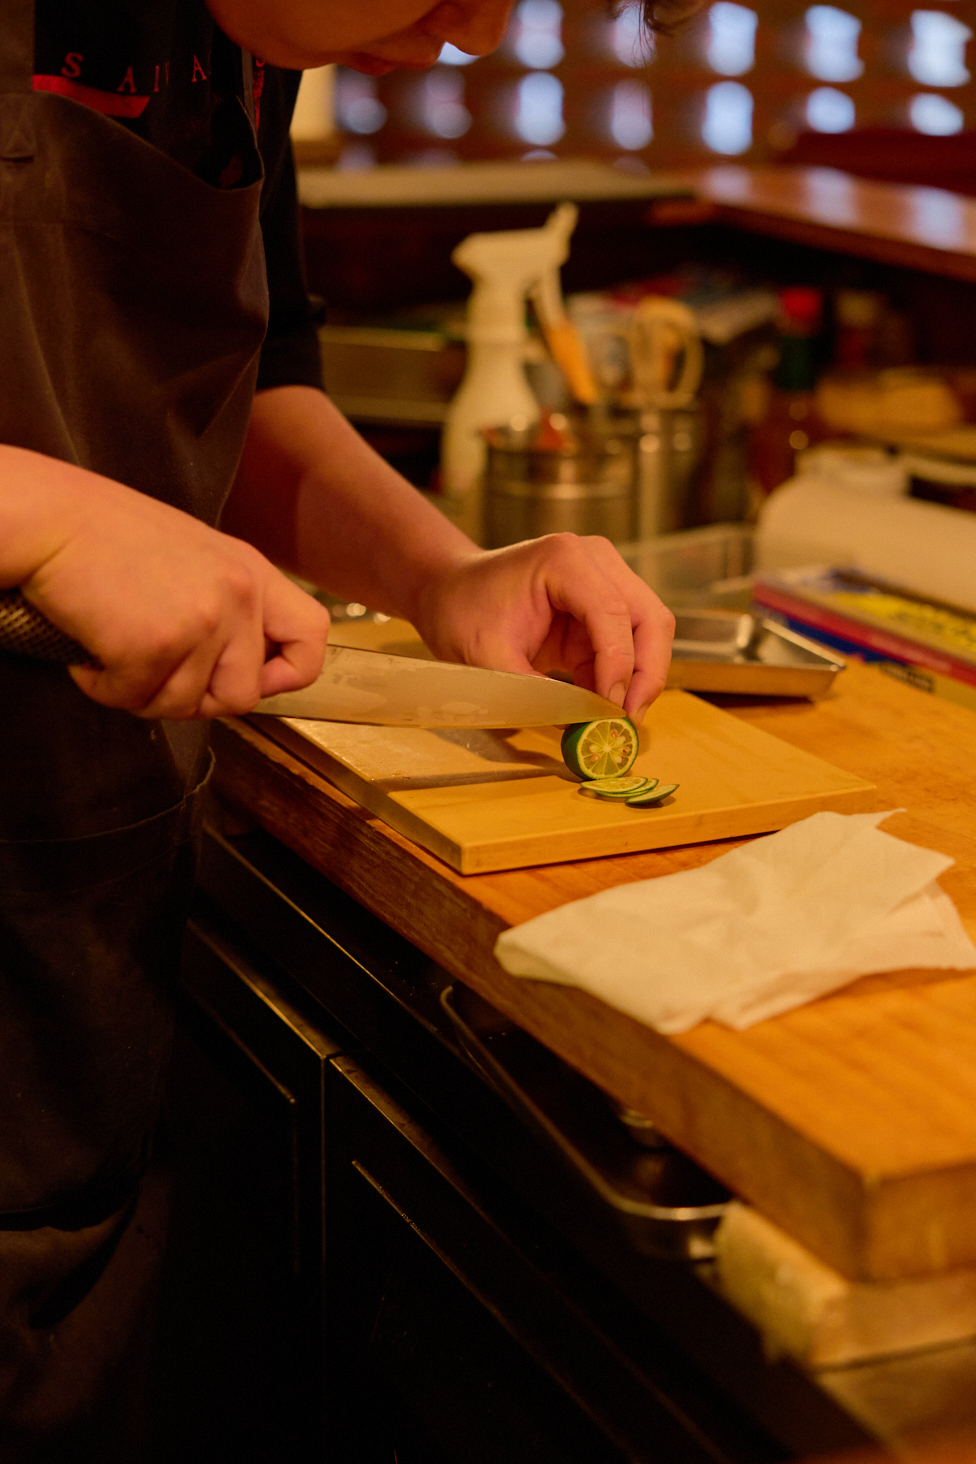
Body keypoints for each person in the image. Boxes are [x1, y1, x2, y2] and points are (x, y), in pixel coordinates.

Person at [0, 0, 678, 1456]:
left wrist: (440, 575)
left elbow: (244, 385)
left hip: (69, 971)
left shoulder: (258, 35)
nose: (475, 31)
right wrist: (38, 517)